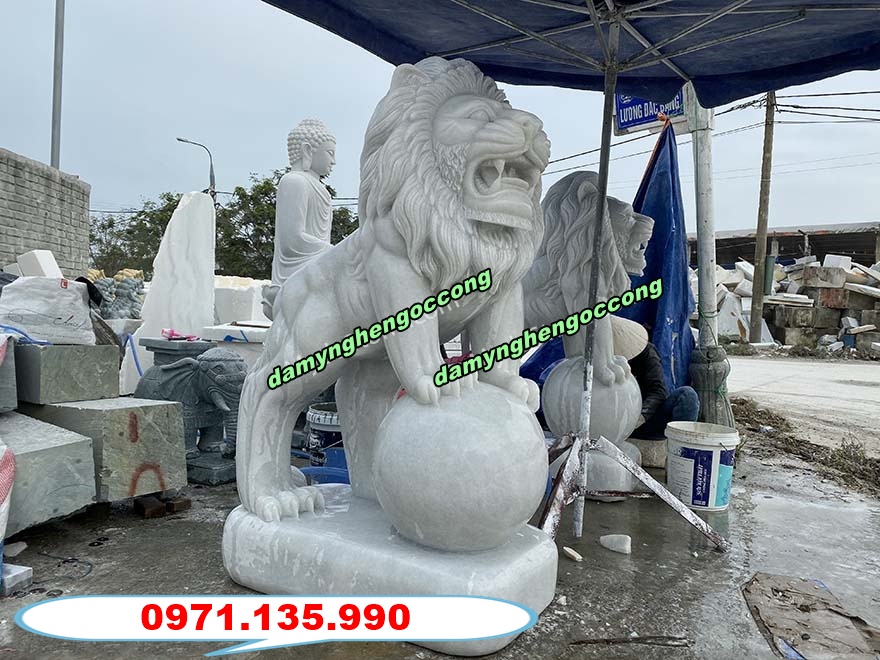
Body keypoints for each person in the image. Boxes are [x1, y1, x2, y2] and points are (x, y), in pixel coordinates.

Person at [262, 119, 337, 320]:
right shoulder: (294, 181)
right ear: (307, 150)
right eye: (330, 153)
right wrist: (336, 253)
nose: (334, 161)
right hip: (294, 278)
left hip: (317, 275)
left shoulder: (322, 190)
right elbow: (292, 241)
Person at [612, 316, 700, 441]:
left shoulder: (646, 352)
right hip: (613, 423)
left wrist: (641, 417)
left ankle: (682, 447)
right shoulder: (598, 359)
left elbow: (658, 391)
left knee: (687, 395)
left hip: (643, 420)